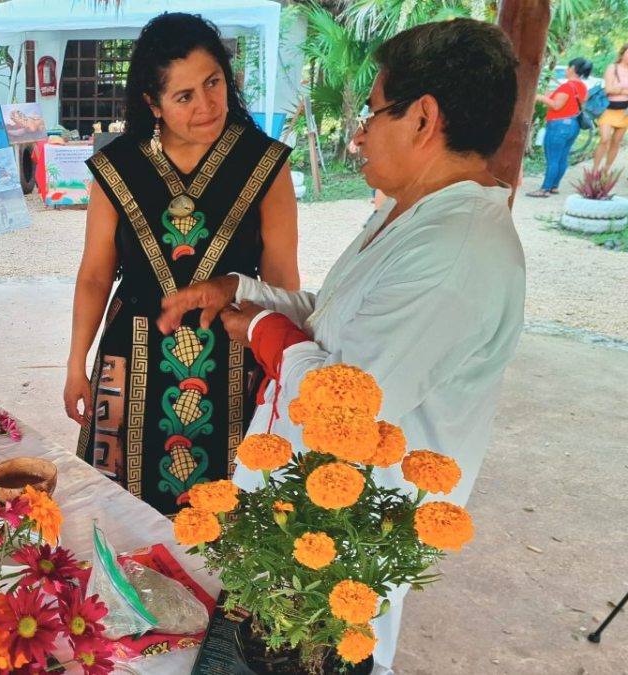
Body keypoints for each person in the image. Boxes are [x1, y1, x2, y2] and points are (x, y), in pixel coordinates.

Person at [156, 20, 524, 671]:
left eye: (373, 110)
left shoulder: (456, 254)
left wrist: (263, 331)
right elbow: (336, 317)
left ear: (423, 118)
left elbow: (343, 399)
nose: (359, 132)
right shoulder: (410, 211)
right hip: (290, 530)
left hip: (335, 562)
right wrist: (240, 290)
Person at [63, 12, 300, 517]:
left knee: (233, 510)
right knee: (123, 508)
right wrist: (76, 364)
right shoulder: (118, 167)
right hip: (132, 354)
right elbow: (95, 275)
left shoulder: (265, 163)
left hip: (236, 352)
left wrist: (283, 366)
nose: (206, 104)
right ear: (153, 103)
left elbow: (282, 279)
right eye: (184, 95)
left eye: (213, 82)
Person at [527, 58, 592, 198]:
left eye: (568, 67)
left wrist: (538, 97)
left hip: (558, 126)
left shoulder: (567, 87)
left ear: (573, 69)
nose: (566, 70)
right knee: (562, 157)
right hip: (573, 125)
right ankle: (554, 186)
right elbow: (573, 103)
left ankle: (544, 189)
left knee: (553, 159)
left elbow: (557, 105)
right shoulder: (582, 87)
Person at [593, 44, 628, 173]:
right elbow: (609, 90)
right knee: (604, 139)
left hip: (625, 111)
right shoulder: (612, 68)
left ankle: (605, 170)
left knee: (617, 141)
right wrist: (623, 91)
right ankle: (595, 169)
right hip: (608, 109)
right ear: (623, 53)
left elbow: (615, 89)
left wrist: (620, 90)